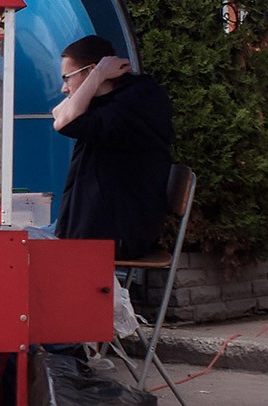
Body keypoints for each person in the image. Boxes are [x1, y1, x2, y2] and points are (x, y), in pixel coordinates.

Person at [51, 36, 178, 259]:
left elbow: (64, 123)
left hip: (117, 234)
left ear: (90, 71)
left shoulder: (133, 104)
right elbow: (58, 115)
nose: (64, 88)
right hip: (103, 229)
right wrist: (95, 78)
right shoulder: (114, 100)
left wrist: (97, 75)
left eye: (67, 78)